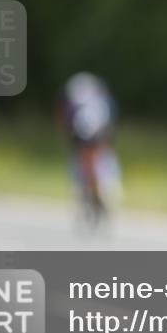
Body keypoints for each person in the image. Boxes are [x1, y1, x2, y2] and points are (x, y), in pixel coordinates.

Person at [58, 72, 123, 231]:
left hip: (92, 140)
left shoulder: (80, 107)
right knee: (89, 172)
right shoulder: (100, 104)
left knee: (97, 172)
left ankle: (97, 201)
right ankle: (93, 201)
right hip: (92, 140)